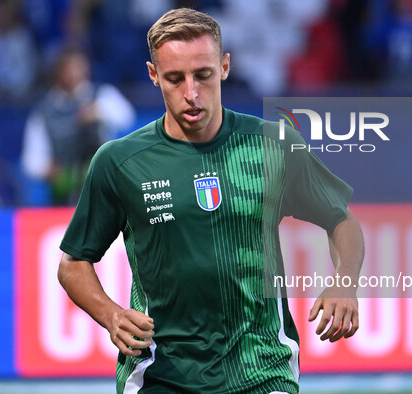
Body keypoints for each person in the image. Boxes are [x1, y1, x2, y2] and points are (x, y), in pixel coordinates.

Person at [57, 8, 364, 394]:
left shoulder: (274, 145)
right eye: (174, 78)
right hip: (160, 372)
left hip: (262, 367)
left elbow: (341, 220)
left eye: (202, 75)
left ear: (224, 66)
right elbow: (73, 263)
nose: (191, 93)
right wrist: (111, 314)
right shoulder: (120, 162)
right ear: (154, 75)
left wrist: (345, 282)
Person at [21, 47, 135, 205]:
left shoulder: (101, 94)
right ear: (58, 72)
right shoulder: (44, 112)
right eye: (70, 69)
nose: (75, 74)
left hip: (101, 187)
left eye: (80, 68)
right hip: (64, 194)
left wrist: (97, 111)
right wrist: (50, 171)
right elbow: (31, 162)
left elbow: (126, 116)